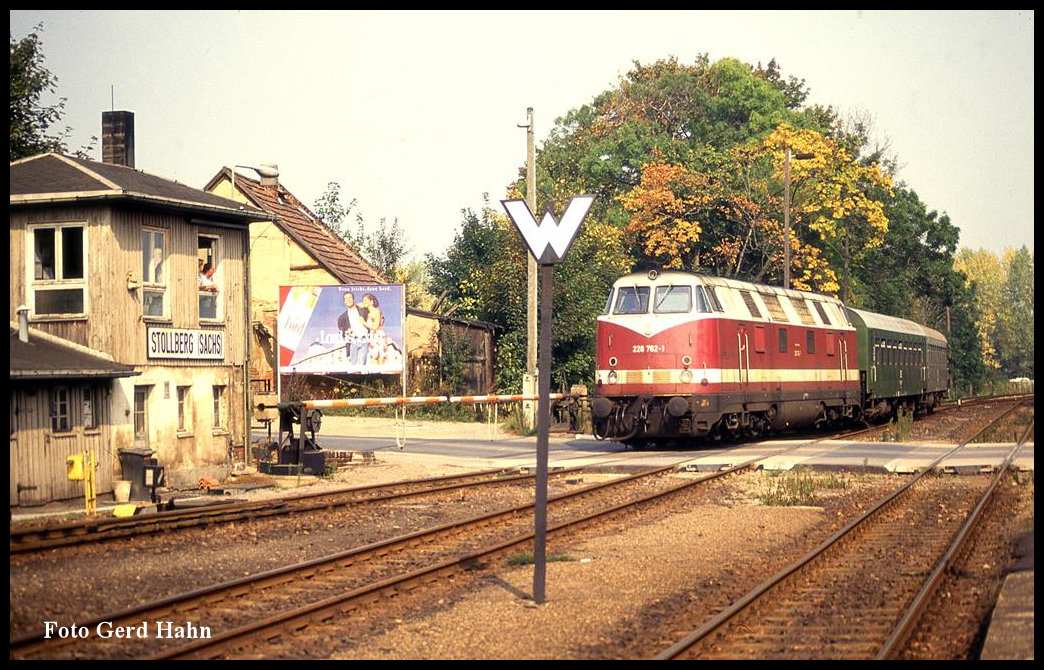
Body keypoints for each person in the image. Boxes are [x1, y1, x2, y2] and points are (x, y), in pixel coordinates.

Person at [337, 292, 370, 369]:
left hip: (365, 341)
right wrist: (346, 332)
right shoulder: (342, 317)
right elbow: (342, 333)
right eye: (346, 298)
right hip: (352, 343)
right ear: (344, 301)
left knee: (362, 368)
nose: (348, 300)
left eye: (350, 297)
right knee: (353, 369)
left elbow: (373, 311)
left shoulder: (363, 310)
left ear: (353, 299)